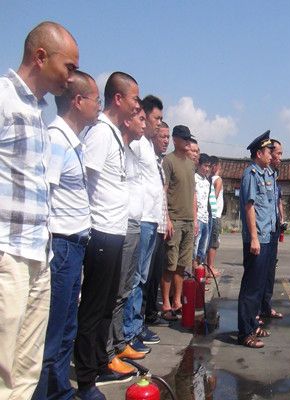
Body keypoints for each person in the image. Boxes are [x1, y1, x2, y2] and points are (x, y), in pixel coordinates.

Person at [0, 21, 78, 400]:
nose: (71, 76)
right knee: (2, 364)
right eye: (70, 67)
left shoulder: (36, 113)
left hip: (37, 254)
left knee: (26, 368)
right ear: (41, 56)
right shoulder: (3, 98)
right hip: (8, 255)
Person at [32, 71, 99, 400]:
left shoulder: (74, 142)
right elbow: (45, 196)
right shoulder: (57, 140)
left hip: (75, 246)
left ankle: (60, 391)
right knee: (53, 332)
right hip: (61, 246)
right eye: (95, 100)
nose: (98, 107)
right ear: (78, 101)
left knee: (67, 328)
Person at [74, 72, 140, 396]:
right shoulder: (100, 133)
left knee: (104, 307)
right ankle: (86, 375)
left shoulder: (113, 134)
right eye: (133, 99)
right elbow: (84, 182)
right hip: (100, 233)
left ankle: (101, 362)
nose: (135, 105)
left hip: (115, 233)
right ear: (118, 99)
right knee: (93, 308)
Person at [105, 107, 149, 367]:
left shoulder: (130, 151)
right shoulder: (107, 140)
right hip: (116, 226)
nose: (143, 124)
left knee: (125, 288)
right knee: (116, 291)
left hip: (133, 223)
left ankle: (120, 343)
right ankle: (108, 352)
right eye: (140, 117)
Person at [125, 95, 165, 349]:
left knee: (142, 278)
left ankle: (136, 325)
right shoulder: (137, 145)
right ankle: (129, 330)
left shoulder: (149, 148)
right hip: (141, 220)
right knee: (136, 278)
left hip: (152, 220)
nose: (159, 124)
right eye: (156, 118)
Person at [238, 131, 277, 348]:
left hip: (267, 236)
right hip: (257, 238)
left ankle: (253, 324)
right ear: (259, 153)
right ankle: (245, 333)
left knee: (259, 286)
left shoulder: (267, 173)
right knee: (251, 288)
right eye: (268, 151)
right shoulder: (250, 175)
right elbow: (249, 207)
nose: (271, 155)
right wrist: (253, 237)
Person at [161, 125, 197, 321]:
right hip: (174, 219)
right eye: (184, 139)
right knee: (169, 264)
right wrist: (166, 218)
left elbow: (193, 193)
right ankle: (165, 303)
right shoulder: (169, 161)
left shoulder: (191, 164)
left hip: (189, 220)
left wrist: (194, 218)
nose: (187, 142)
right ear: (175, 139)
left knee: (183, 264)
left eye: (189, 139)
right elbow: (164, 190)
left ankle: (177, 301)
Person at [144, 122, 171, 326]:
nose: (165, 140)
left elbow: (163, 197)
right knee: (144, 276)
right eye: (162, 136)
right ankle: (144, 316)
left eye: (167, 137)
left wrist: (167, 219)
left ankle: (150, 313)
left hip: (161, 227)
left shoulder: (158, 163)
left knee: (155, 274)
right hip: (149, 224)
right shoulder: (147, 161)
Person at [260, 138, 285, 320]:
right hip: (264, 229)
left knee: (270, 269)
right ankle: (258, 309)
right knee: (261, 271)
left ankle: (266, 306)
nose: (279, 158)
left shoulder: (274, 175)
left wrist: (282, 220)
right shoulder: (261, 174)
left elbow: (278, 201)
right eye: (277, 154)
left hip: (275, 225)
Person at [194, 153, 213, 267]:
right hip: (197, 218)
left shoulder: (207, 182)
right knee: (194, 248)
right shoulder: (193, 178)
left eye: (209, 166)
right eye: (205, 166)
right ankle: (191, 275)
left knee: (202, 249)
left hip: (205, 218)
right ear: (199, 165)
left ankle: (198, 275)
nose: (207, 169)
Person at [206, 156, 223, 277]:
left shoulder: (207, 179)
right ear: (216, 166)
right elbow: (215, 196)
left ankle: (207, 267)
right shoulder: (218, 180)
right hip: (215, 214)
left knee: (208, 242)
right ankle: (210, 267)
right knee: (214, 243)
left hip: (208, 214)